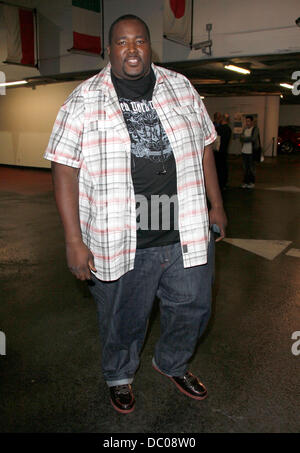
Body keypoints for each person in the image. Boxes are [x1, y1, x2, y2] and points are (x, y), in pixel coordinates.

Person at [44, 14, 227, 414]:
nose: (132, 49)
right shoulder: (83, 99)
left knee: (194, 309)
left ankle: (172, 362)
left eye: (139, 41)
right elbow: (63, 168)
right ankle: (119, 376)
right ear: (110, 50)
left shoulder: (179, 86)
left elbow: (204, 147)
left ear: (149, 46)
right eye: (122, 42)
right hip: (121, 233)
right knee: (122, 320)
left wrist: (217, 204)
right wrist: (74, 241)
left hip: (185, 227)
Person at [240, 115, 260, 189]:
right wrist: (245, 138)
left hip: (251, 152)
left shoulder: (255, 129)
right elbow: (241, 138)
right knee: (245, 168)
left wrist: (245, 138)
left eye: (248, 121)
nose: (247, 123)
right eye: (246, 121)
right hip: (244, 151)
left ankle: (251, 182)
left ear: (252, 122)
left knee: (251, 168)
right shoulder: (244, 129)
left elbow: (253, 138)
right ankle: (245, 182)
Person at [215, 114, 232, 190]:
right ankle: (224, 183)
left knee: (219, 168)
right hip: (224, 151)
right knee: (224, 167)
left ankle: (220, 184)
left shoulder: (219, 129)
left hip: (218, 152)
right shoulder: (228, 129)